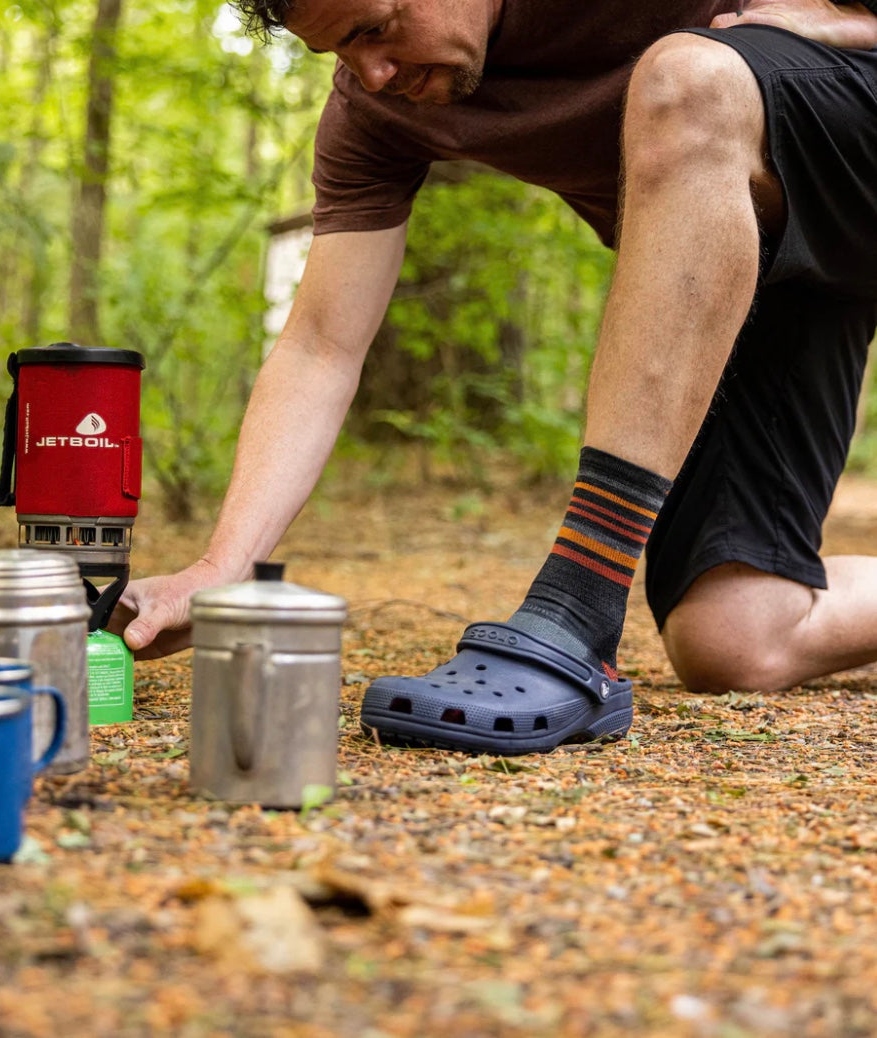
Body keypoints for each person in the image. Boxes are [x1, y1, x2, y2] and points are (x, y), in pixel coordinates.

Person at [108, 0, 877, 754]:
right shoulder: (377, 112)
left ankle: (578, 602)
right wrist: (223, 566)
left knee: (690, 78)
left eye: (376, 30)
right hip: (781, 263)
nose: (370, 74)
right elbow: (320, 346)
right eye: (340, 51)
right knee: (734, 637)